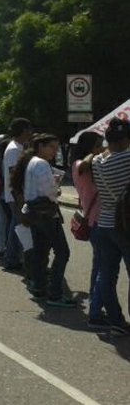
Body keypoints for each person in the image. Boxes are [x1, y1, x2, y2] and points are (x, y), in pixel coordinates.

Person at [11, 134, 75, 307]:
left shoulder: (31, 162)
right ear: (41, 147)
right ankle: (55, 293)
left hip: (34, 212)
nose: (54, 152)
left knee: (40, 251)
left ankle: (38, 286)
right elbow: (49, 191)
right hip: (46, 212)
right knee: (62, 251)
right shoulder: (41, 164)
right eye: (51, 147)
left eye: (56, 148)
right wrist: (57, 190)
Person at [91, 118, 130, 334]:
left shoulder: (97, 161)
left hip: (105, 222)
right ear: (126, 139)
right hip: (126, 225)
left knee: (106, 274)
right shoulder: (127, 158)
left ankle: (115, 320)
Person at [72, 131, 106, 328]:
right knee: (103, 268)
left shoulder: (91, 166)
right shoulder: (80, 166)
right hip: (97, 219)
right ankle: (95, 309)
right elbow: (85, 163)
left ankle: (96, 303)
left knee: (100, 266)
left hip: (97, 219)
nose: (101, 149)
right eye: (97, 145)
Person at [3, 118, 33, 271]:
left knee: (17, 227)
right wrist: (19, 196)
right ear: (23, 130)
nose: (30, 132)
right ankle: (12, 259)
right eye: (28, 129)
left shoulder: (19, 147)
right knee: (18, 227)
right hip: (16, 195)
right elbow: (13, 174)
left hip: (18, 194)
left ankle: (13, 258)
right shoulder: (15, 149)